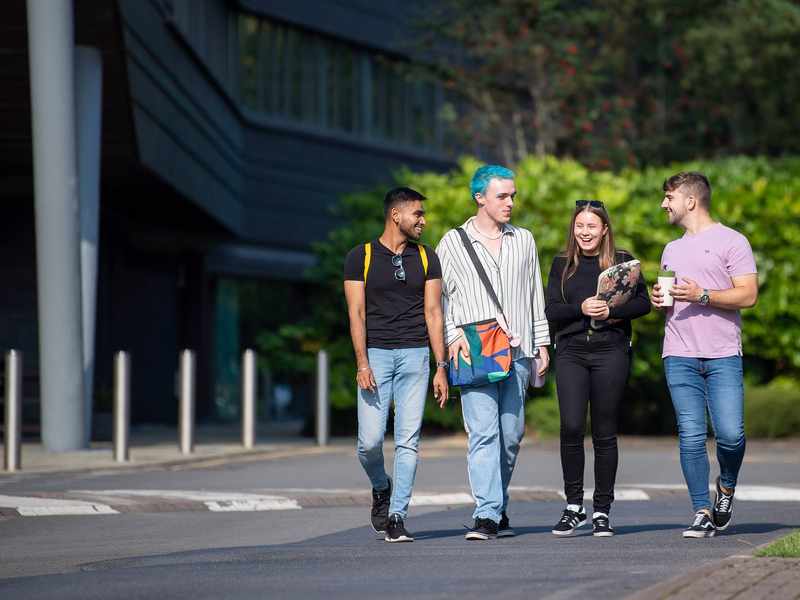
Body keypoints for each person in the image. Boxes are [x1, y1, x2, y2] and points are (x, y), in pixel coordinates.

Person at [436, 165, 550, 540]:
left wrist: (542, 343)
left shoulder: (524, 239)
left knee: (511, 437)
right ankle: (487, 513)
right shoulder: (452, 242)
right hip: (474, 351)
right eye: (502, 196)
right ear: (480, 198)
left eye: (512, 196)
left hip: (518, 351)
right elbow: (439, 299)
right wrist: (452, 336)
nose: (510, 202)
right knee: (483, 434)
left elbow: (534, 294)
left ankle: (496, 505)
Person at [651, 172, 758, 538]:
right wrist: (660, 301)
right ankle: (701, 510)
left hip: (723, 354)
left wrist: (703, 295)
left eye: (669, 197)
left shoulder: (733, 241)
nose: (664, 204)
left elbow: (748, 294)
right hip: (679, 353)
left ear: (691, 200)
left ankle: (726, 485)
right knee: (691, 434)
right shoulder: (671, 249)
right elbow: (673, 300)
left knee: (731, 435)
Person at [343, 187, 449, 543]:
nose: (423, 221)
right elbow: (356, 314)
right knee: (369, 442)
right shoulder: (360, 257)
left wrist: (441, 366)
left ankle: (397, 516)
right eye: (417, 214)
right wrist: (362, 363)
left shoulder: (427, 257)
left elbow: (434, 313)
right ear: (396, 215)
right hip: (375, 356)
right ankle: (380, 485)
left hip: (416, 356)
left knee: (408, 441)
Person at [545, 200, 650, 537]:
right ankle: (573, 506)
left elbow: (644, 303)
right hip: (571, 351)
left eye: (591, 226)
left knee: (604, 432)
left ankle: (602, 510)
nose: (585, 232)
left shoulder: (622, 261)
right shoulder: (561, 264)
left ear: (604, 229)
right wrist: (581, 307)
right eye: (579, 226)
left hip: (611, 350)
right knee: (571, 427)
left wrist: (611, 312)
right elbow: (550, 309)